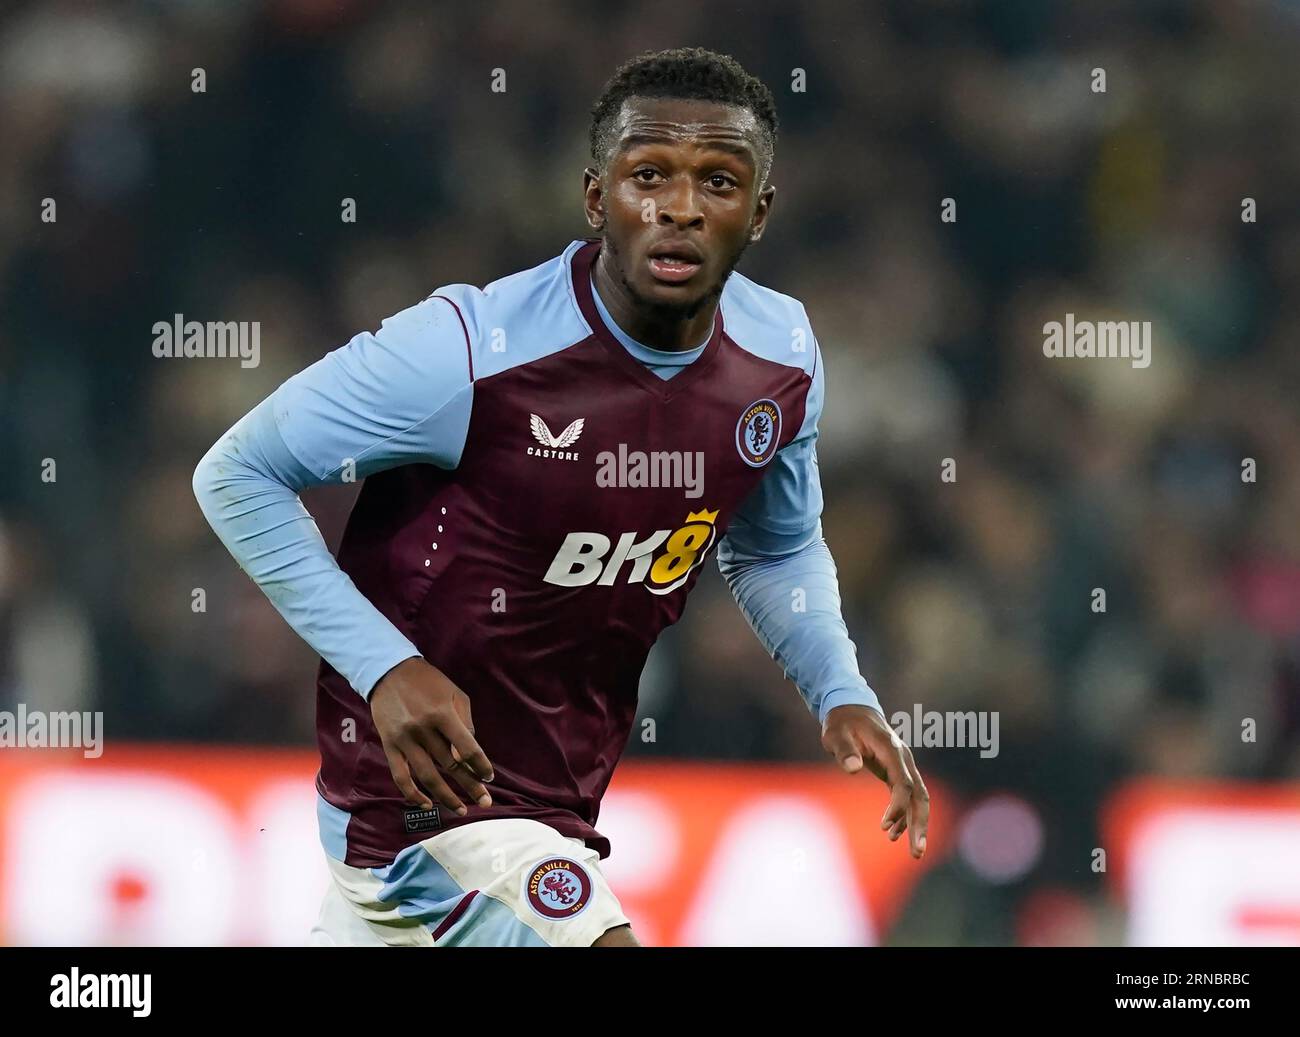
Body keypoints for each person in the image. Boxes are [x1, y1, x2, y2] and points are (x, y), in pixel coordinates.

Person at [193, 46, 928, 948]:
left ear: (760, 212)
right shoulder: (468, 350)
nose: (681, 209)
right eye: (648, 175)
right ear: (595, 198)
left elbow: (774, 546)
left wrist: (839, 689)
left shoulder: (779, 358)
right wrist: (382, 664)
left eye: (720, 183)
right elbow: (235, 472)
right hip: (420, 812)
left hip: (556, 807)